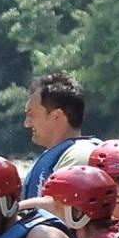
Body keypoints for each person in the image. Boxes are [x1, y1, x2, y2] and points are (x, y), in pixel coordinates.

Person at [21, 71, 87, 200]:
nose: (26, 124)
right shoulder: (56, 156)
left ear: (56, 115)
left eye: (31, 114)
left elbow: (62, 209)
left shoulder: (80, 156)